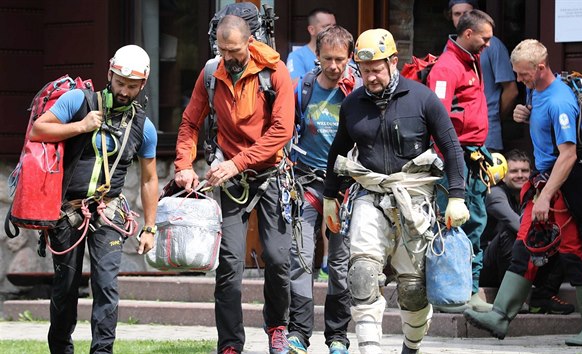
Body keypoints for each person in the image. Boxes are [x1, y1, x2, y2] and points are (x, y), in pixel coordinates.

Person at [322, 28, 469, 354]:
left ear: (393, 62)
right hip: (369, 195)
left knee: (412, 288)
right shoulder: (352, 104)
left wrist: (457, 196)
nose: (371, 77)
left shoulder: (423, 98)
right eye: (364, 70)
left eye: (377, 69)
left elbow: (451, 148)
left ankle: (411, 347)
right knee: (361, 274)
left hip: (414, 199)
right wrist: (330, 197)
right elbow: (339, 151)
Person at [464, 39, 582, 346]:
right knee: (524, 245)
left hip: (559, 189)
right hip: (543, 184)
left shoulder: (560, 101)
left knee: (573, 253)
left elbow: (567, 155)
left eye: (523, 73)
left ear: (540, 68)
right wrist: (528, 115)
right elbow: (546, 126)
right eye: (516, 73)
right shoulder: (537, 91)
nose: (518, 80)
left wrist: (545, 197)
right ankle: (500, 316)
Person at [173, 15, 294, 354]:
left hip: (270, 174)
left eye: (236, 50)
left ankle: (277, 328)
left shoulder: (275, 73)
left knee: (278, 257)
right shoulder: (212, 73)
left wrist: (237, 162)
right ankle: (229, 343)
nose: (230, 57)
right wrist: (183, 164)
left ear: (250, 42)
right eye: (223, 50)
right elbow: (189, 123)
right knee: (229, 262)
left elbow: (281, 132)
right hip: (231, 180)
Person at [29, 44, 159, 354]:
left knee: (106, 286)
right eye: (119, 83)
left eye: (132, 86)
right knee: (65, 288)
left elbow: (150, 178)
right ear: (109, 74)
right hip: (68, 212)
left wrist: (150, 227)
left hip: (108, 212)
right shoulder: (78, 101)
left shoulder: (145, 126)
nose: (125, 91)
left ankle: (103, 351)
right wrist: (81, 126)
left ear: (143, 85)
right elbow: (38, 130)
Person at [287, 25, 357, 354]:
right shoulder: (303, 87)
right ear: (317, 56)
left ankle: (338, 337)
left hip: (344, 187)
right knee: (301, 259)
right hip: (307, 183)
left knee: (340, 265)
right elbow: (287, 129)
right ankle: (299, 332)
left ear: (350, 57)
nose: (333, 66)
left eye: (340, 59)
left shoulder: (356, 91)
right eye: (327, 58)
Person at [426, 9, 495, 313]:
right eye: (485, 38)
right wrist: (447, 164)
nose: (489, 45)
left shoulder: (472, 60)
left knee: (476, 221)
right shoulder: (447, 67)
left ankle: (470, 289)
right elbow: (437, 118)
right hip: (455, 157)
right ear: (469, 34)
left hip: (475, 153)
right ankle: (452, 291)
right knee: (453, 224)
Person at [479, 149, 574, 315]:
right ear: (504, 174)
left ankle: (543, 296)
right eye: (514, 171)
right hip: (490, 266)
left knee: (563, 235)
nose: (520, 175)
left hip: (524, 258)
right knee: (511, 233)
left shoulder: (533, 195)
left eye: (525, 171)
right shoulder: (495, 193)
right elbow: (515, 224)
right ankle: (512, 297)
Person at [446, 0, 518, 152]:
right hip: (459, 137)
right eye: (457, 14)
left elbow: (511, 91)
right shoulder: (449, 48)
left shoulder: (492, 45)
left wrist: (491, 116)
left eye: (466, 13)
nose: (462, 18)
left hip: (488, 135)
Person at [287, 8, 336, 84]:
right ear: (311, 30)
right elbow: (294, 84)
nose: (332, 30)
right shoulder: (297, 56)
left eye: (334, 26)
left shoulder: (341, 53)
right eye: (326, 26)